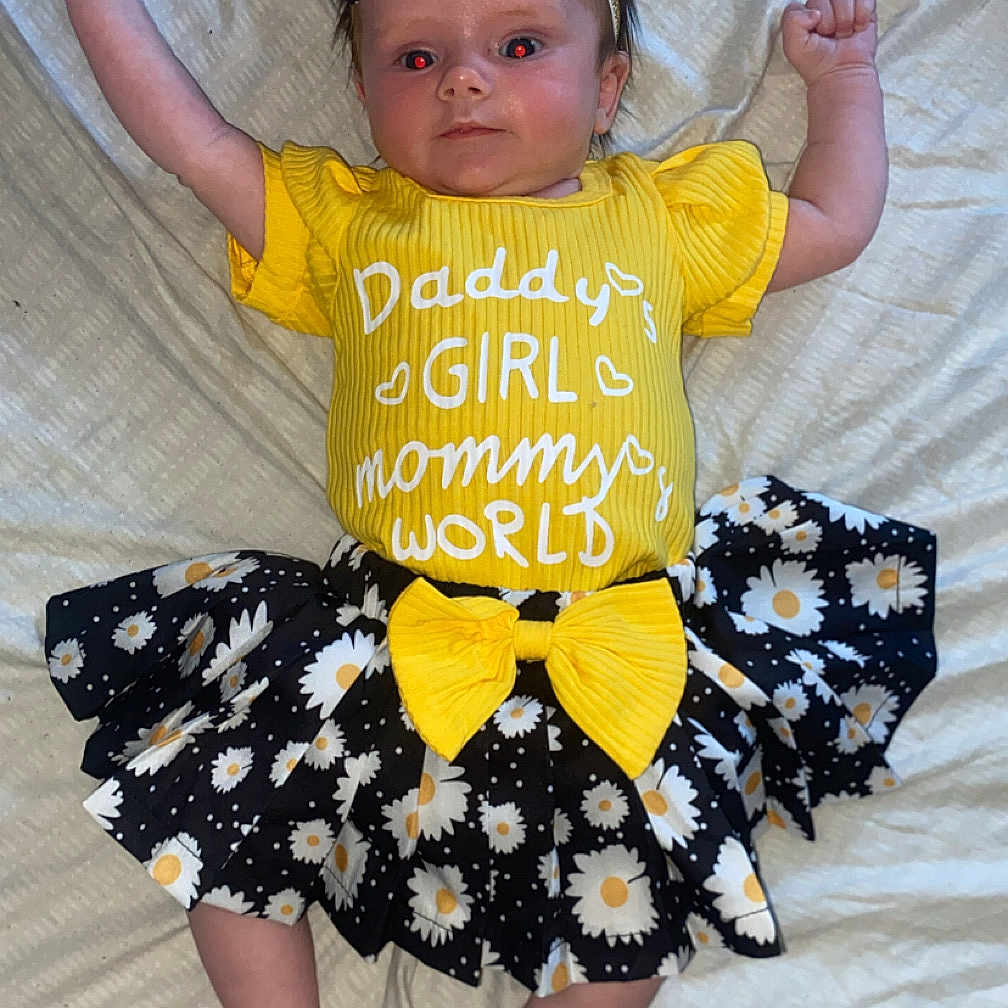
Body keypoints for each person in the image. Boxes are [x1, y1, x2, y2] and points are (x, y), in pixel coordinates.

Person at [44, 1, 936, 1005]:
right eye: (415, 57)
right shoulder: (351, 220)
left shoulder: (658, 216)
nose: (463, 80)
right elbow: (190, 141)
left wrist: (842, 76)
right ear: (363, 97)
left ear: (606, 89)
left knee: (628, 921)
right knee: (224, 828)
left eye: (518, 47)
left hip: (609, 653)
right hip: (385, 640)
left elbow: (833, 222)